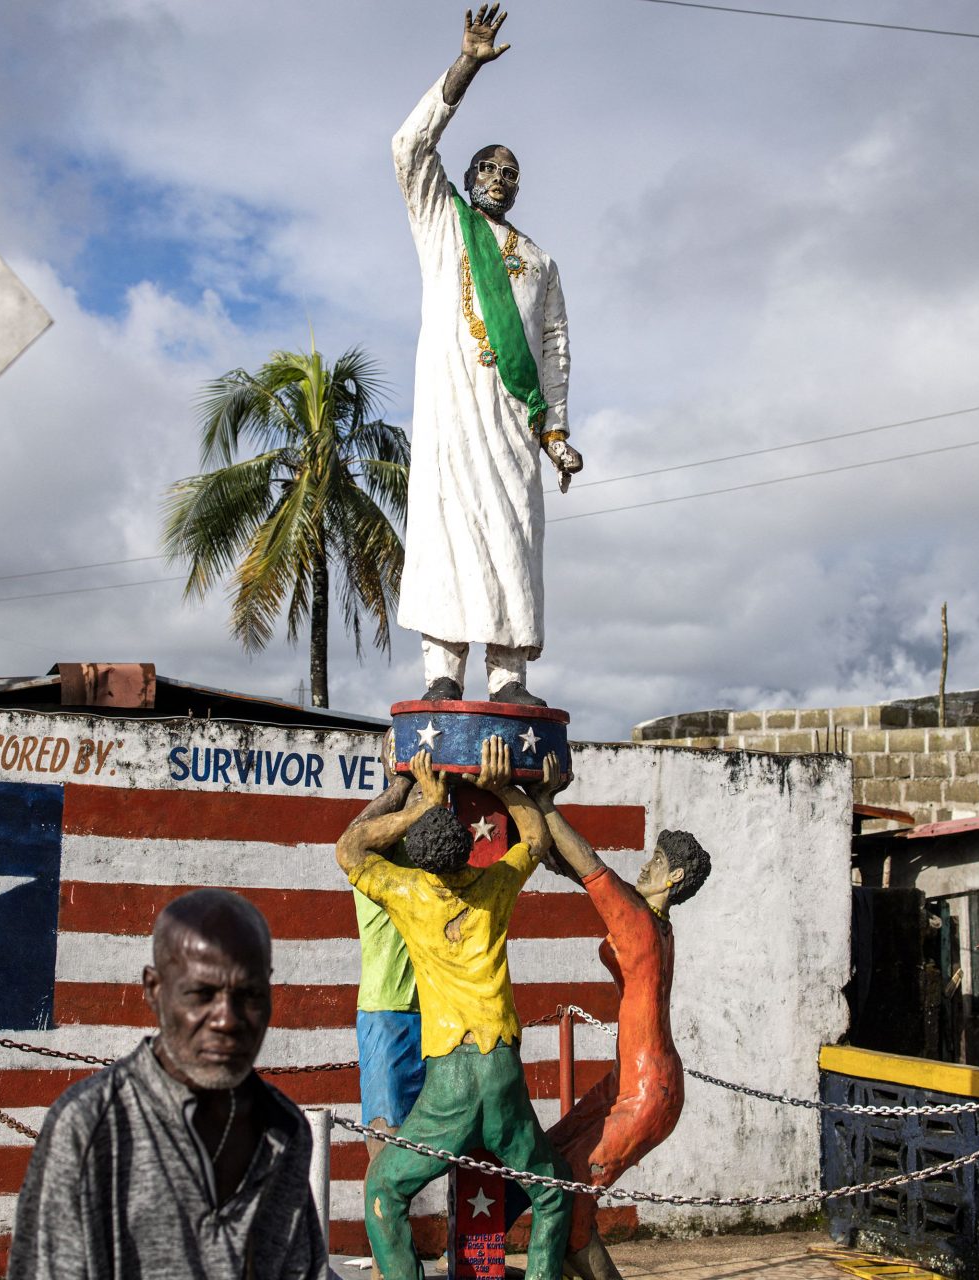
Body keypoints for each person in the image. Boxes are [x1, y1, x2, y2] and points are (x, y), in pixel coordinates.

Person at [394, 5, 579, 707]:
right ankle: (443, 673)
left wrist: (557, 433)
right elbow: (409, 147)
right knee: (446, 531)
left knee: (513, 534)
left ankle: (508, 679)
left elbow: (555, 350)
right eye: (489, 165)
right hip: (449, 416)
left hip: (512, 424)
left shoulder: (539, 259)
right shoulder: (443, 222)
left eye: (511, 171)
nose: (500, 176)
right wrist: (465, 67)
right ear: (468, 176)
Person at [334, 738, 571, 1280]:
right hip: (503, 1067)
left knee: (385, 1189)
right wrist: (502, 786)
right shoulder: (495, 885)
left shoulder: (408, 893)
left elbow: (348, 850)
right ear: (468, 847)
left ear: (420, 857)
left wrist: (415, 803)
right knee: (552, 1191)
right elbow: (535, 837)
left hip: (451, 1079)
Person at [7, 889, 326, 1279]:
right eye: (201, 994)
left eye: (249, 995)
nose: (227, 1019)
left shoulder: (284, 1130)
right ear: (154, 989)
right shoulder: (90, 1127)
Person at [503, 755, 713, 1280]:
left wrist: (544, 804)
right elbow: (599, 882)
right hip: (634, 1082)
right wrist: (556, 852)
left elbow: (595, 867)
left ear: (676, 876)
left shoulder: (641, 925)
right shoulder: (656, 925)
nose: (646, 866)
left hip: (646, 1093)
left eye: (657, 863)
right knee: (549, 1160)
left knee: (572, 1200)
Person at [351, 770, 427, 1161]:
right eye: (419, 792)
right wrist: (402, 785)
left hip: (440, 1016)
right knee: (386, 1149)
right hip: (389, 1012)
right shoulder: (373, 864)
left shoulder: (438, 856)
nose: (428, 799)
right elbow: (354, 835)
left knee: (448, 1145)